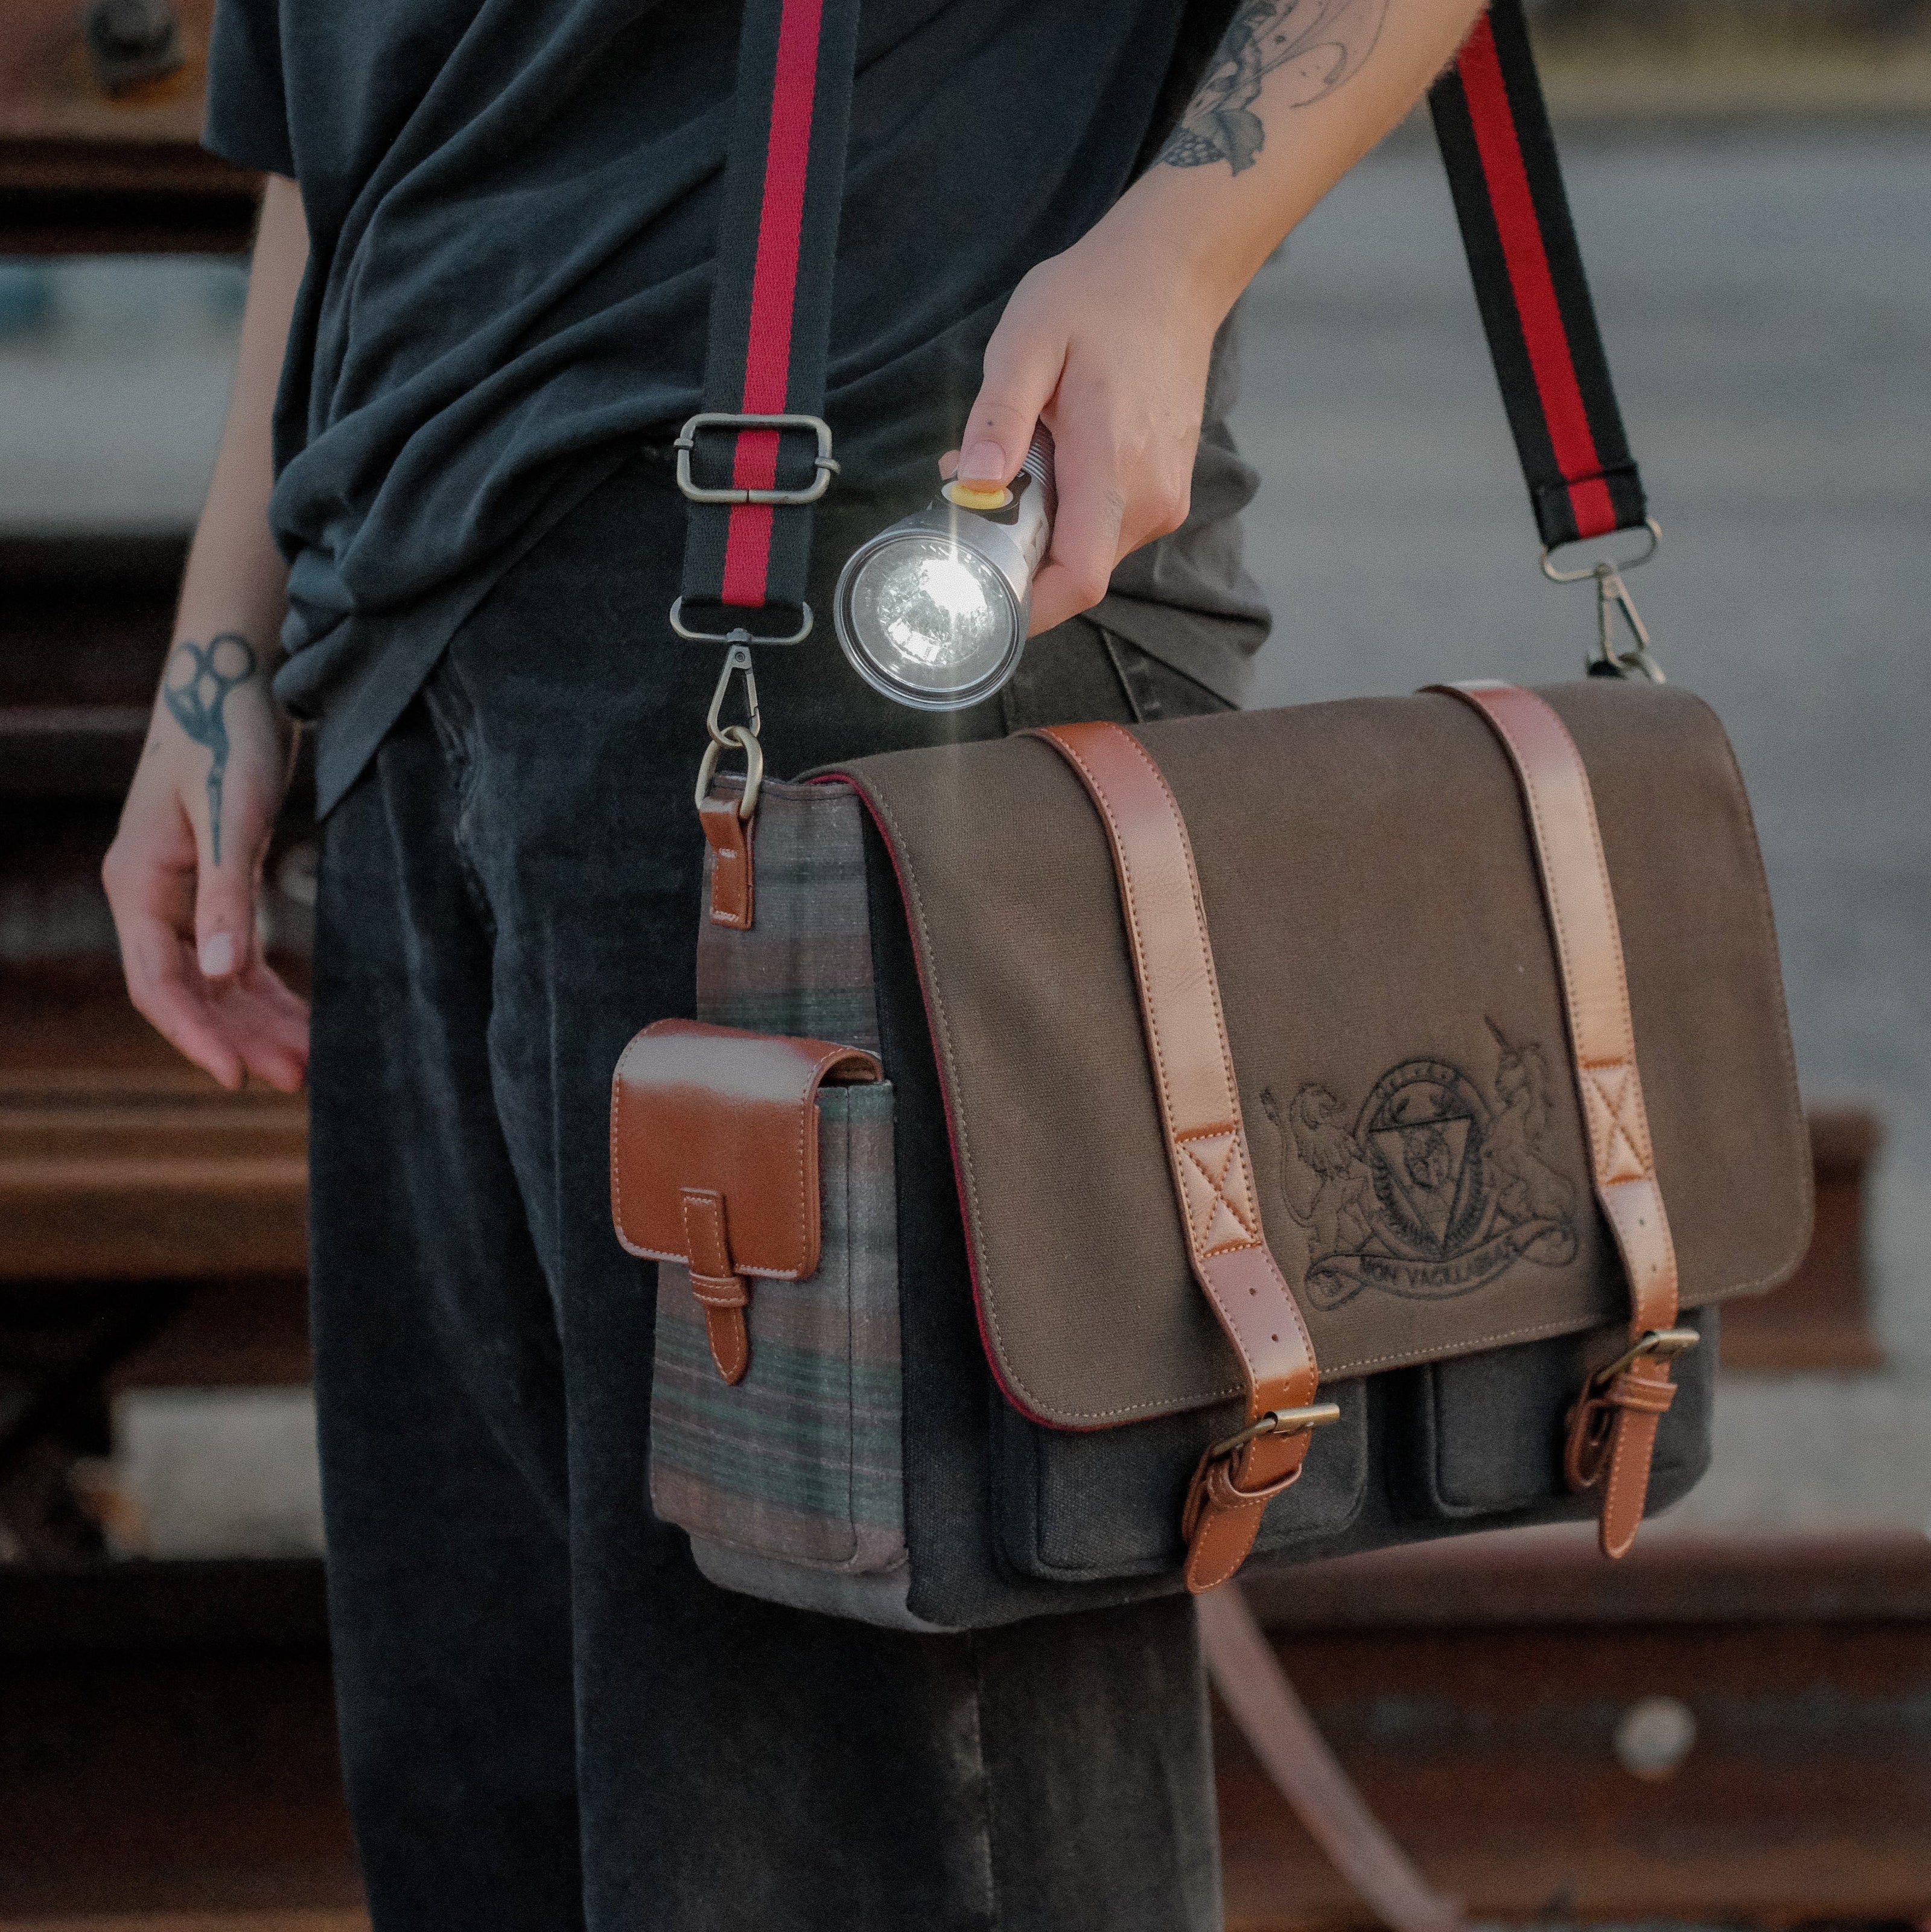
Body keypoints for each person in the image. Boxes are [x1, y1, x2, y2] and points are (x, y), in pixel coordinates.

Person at [103, 1, 1485, 1924]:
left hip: (876, 597)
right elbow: (336, 107)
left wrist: (1178, 252)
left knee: (872, 1817)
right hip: (413, 653)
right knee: (502, 1780)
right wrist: (225, 639)